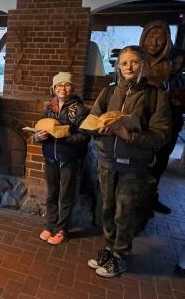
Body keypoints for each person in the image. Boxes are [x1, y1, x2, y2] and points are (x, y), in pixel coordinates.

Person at [86, 45, 170, 278]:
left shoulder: (156, 96)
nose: (129, 66)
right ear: (118, 67)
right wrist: (99, 128)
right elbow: (92, 120)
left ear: (144, 64)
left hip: (134, 166)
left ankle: (120, 257)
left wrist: (127, 135)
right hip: (107, 162)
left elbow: (161, 136)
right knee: (107, 209)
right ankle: (109, 248)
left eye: (134, 62)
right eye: (124, 63)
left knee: (125, 213)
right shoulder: (108, 92)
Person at [35, 72, 89, 246]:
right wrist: (39, 136)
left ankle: (61, 229)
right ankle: (50, 224)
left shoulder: (80, 109)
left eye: (66, 85)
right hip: (50, 156)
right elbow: (42, 127)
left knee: (66, 195)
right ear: (54, 88)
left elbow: (85, 136)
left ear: (71, 88)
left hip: (69, 158)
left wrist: (63, 137)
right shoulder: (48, 107)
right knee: (52, 193)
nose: (62, 88)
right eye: (59, 85)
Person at [150, 48, 185, 214]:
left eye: (180, 63)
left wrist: (178, 103)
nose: (176, 66)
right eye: (174, 62)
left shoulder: (181, 80)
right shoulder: (157, 78)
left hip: (172, 125)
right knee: (150, 162)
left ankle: (152, 197)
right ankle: (144, 199)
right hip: (154, 125)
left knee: (162, 162)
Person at [139, 20, 173, 87]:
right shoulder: (134, 61)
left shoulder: (166, 66)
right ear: (143, 38)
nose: (154, 43)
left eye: (160, 38)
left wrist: (161, 85)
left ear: (166, 41)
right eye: (151, 37)